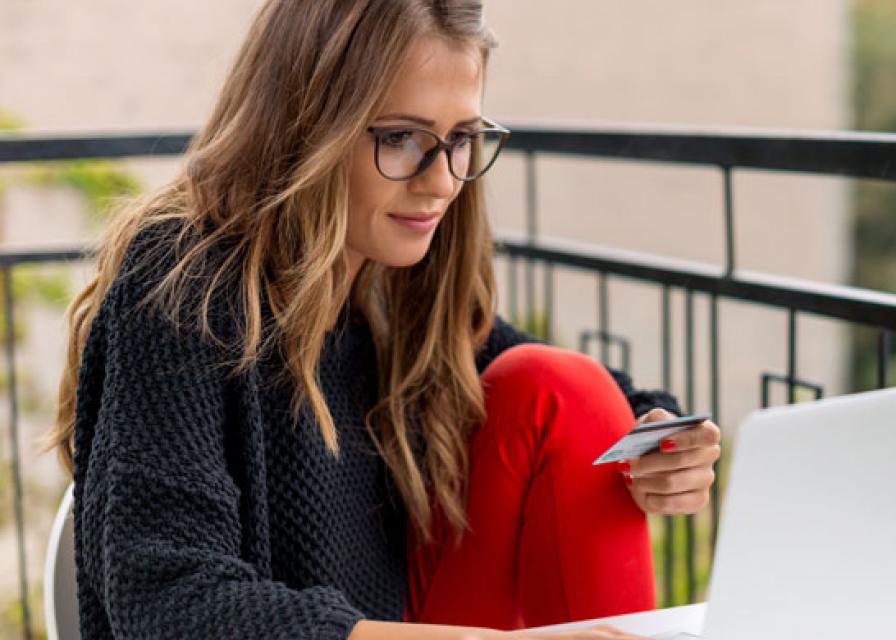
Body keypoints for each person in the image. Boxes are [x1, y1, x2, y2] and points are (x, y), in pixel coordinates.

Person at [44, 1, 722, 638]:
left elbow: (546, 383)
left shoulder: (392, 275)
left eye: (461, 138)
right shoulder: (182, 279)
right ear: (306, 123)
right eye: (401, 137)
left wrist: (656, 437)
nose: (442, 180)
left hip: (399, 614)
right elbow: (164, 597)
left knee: (560, 387)